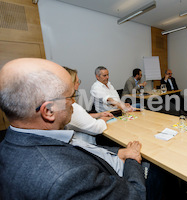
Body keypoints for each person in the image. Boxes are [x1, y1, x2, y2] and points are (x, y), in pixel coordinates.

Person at [0, 58, 146, 199]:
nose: (74, 102)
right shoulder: (66, 176)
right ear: (49, 111)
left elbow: (89, 150)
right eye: (71, 96)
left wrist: (120, 152)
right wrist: (131, 157)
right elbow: (135, 194)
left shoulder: (13, 144)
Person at [64, 67, 113, 145]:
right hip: (87, 144)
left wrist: (98, 115)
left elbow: (81, 117)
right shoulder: (70, 106)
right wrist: (103, 119)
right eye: (77, 82)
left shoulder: (66, 103)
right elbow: (97, 128)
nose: (79, 84)